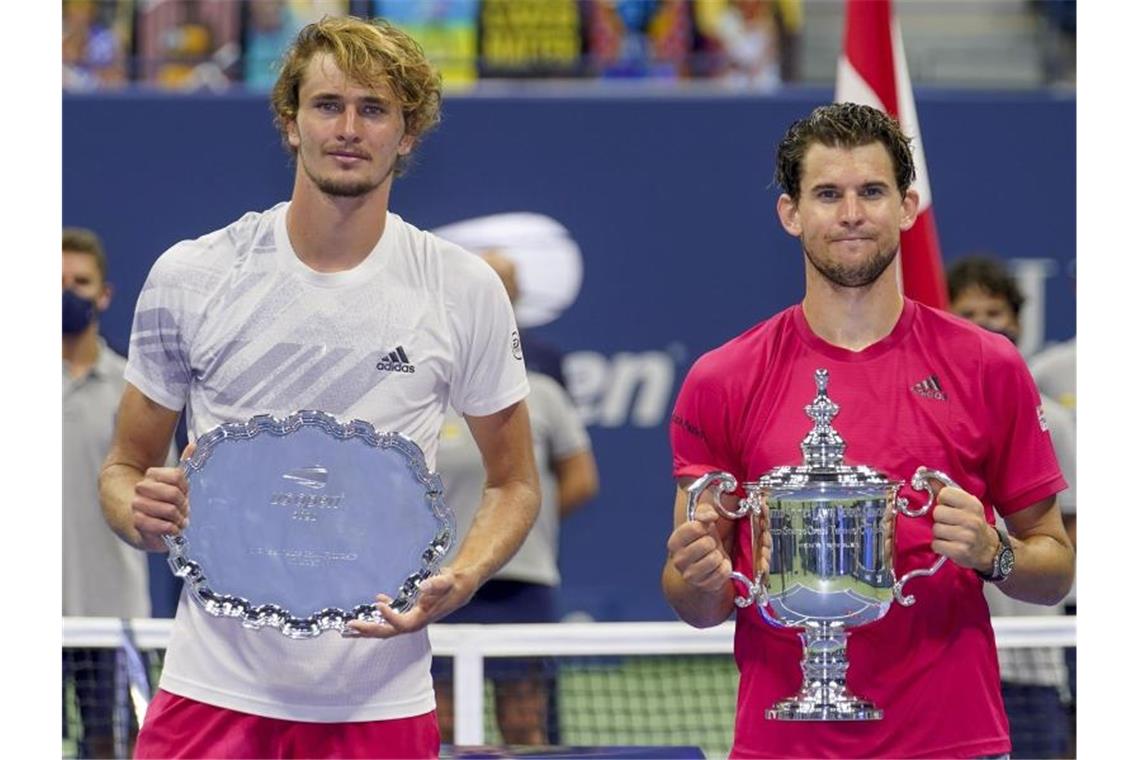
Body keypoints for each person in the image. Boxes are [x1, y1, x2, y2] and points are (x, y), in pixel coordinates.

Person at [98, 16, 540, 759]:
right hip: (212, 694)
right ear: (289, 123)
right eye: (328, 104)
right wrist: (135, 510)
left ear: (408, 134)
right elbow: (123, 469)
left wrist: (462, 575)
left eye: (374, 109)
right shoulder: (193, 275)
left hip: (382, 699)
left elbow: (516, 482)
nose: (348, 128)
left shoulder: (462, 289)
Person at [662, 103, 1074, 758]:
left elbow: (1055, 568)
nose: (851, 213)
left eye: (872, 191)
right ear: (791, 213)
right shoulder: (723, 379)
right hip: (782, 744)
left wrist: (993, 551)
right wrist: (700, 574)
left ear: (907, 206)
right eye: (828, 194)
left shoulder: (988, 367)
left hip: (952, 742)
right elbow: (697, 600)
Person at [433, 252, 600, 746]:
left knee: (526, 726)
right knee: (441, 725)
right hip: (439, 580)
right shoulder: (425, 391)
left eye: (502, 287)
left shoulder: (542, 390)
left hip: (521, 581)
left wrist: (517, 527)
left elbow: (579, 479)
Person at [947, 254, 1076, 759]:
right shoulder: (932, 412)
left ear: (1018, 321)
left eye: (994, 313)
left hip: (1032, 662)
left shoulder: (1052, 422)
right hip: (952, 665)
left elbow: (1068, 535)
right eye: (967, 313)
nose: (981, 325)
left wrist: (1001, 557)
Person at [63, 227, 151, 758]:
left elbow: (156, 497)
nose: (67, 293)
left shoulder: (132, 389)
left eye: (80, 282)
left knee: (109, 748)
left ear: (104, 295)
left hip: (111, 613)